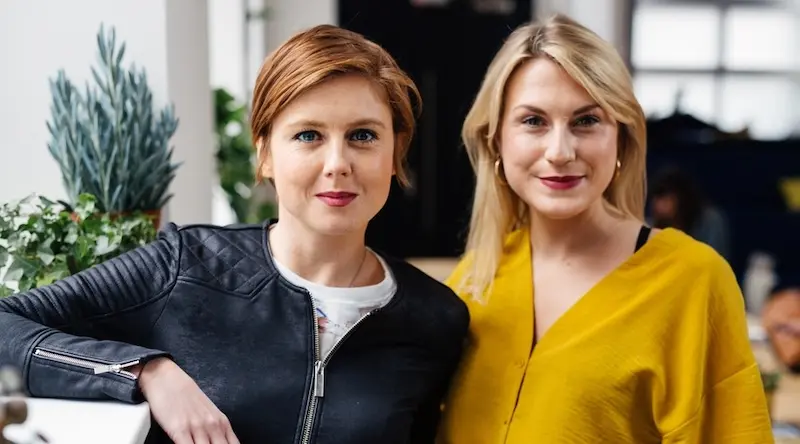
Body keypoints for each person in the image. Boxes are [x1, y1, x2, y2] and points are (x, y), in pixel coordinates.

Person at [0, 25, 469, 444]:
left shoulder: (435, 317)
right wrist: (146, 371)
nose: (337, 164)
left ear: (395, 154)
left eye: (363, 135)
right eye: (308, 135)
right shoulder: (188, 265)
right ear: (265, 154)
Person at [436, 14, 773, 444]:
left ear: (622, 139)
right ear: (496, 140)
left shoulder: (693, 281)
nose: (559, 151)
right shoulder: (476, 279)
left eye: (586, 120)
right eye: (533, 121)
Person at [649, 166, 731, 260]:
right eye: (656, 198)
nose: (658, 205)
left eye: (664, 197)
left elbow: (713, 262)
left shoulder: (709, 222)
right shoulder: (651, 227)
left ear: (680, 198)